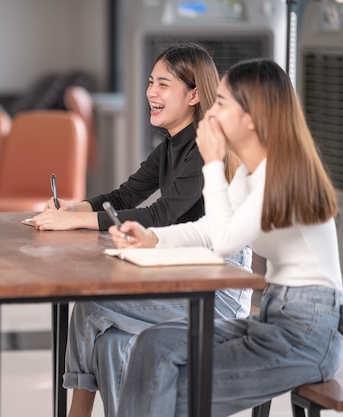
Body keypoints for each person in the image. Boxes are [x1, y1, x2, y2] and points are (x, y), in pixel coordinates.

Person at [110, 58, 343, 417]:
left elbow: (225, 242)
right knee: (154, 342)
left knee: (179, 389)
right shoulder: (252, 171)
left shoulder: (280, 173)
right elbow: (208, 229)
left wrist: (213, 164)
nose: (211, 113)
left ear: (250, 118)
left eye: (221, 103)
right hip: (273, 318)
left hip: (307, 334)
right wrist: (151, 237)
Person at [37, 42, 254, 417]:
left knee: (90, 305)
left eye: (163, 84)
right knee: (112, 344)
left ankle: (76, 414)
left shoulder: (204, 147)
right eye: (151, 82)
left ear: (194, 95)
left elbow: (162, 214)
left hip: (217, 292)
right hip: (185, 276)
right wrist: (72, 208)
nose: (151, 92)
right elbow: (125, 195)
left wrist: (74, 220)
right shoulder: (171, 145)